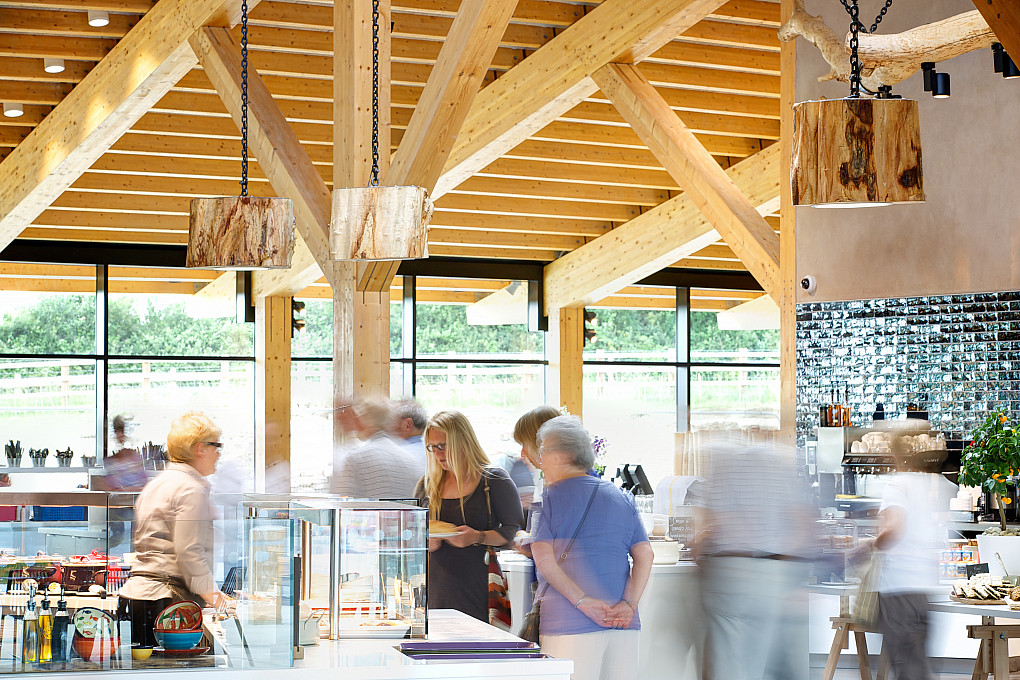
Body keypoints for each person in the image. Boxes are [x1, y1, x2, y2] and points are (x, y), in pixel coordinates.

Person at [530, 416, 652, 680]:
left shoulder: (548, 499)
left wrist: (583, 602)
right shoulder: (622, 496)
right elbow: (645, 555)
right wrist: (628, 605)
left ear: (562, 455)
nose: (539, 461)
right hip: (623, 623)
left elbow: (545, 560)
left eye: (543, 452)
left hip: (567, 624)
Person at [692, 435, 813, 680]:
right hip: (770, 576)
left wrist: (699, 551)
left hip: (729, 572)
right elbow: (803, 527)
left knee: (727, 662)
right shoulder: (780, 466)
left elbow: (713, 527)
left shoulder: (722, 464)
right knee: (765, 660)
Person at [117, 411, 225, 650]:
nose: (219, 453)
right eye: (216, 446)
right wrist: (215, 597)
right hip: (170, 600)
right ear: (200, 449)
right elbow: (189, 553)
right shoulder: (190, 489)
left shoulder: (156, 484)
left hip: (141, 596)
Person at [857, 427, 956, 680]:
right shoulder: (935, 485)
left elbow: (894, 529)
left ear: (895, 456)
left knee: (910, 670)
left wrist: (869, 545)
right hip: (924, 590)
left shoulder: (897, 484)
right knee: (917, 663)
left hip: (899, 589)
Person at [416, 410, 523, 623]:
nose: (438, 453)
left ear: (463, 441)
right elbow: (412, 535)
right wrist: (426, 542)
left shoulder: (493, 480)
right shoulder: (427, 485)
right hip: (436, 588)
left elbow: (512, 531)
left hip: (479, 586)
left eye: (443, 445)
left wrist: (477, 537)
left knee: (477, 650)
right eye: (432, 447)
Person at [331, 398, 425, 499]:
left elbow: (342, 504)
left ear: (364, 421)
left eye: (359, 417)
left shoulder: (355, 459)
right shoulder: (410, 459)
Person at [391, 397, 428, 462]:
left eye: (391, 420)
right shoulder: (432, 453)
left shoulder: (398, 456)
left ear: (408, 424)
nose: (387, 426)